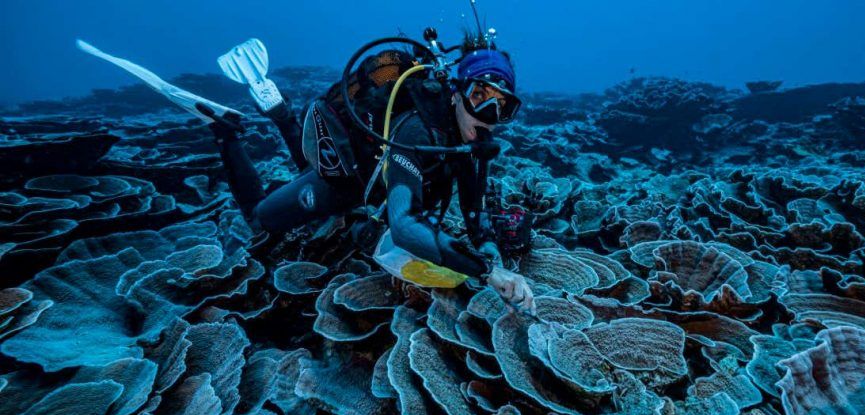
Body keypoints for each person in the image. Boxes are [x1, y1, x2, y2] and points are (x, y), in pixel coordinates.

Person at [78, 34, 535, 313]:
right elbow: (404, 223)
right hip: (350, 182)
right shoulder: (415, 127)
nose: (489, 115)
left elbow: (475, 222)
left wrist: (496, 262)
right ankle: (225, 130)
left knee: (321, 186)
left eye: (503, 107)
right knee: (263, 219)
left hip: (367, 178)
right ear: (457, 91)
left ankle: (279, 112)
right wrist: (483, 273)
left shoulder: (472, 145)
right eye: (481, 97)